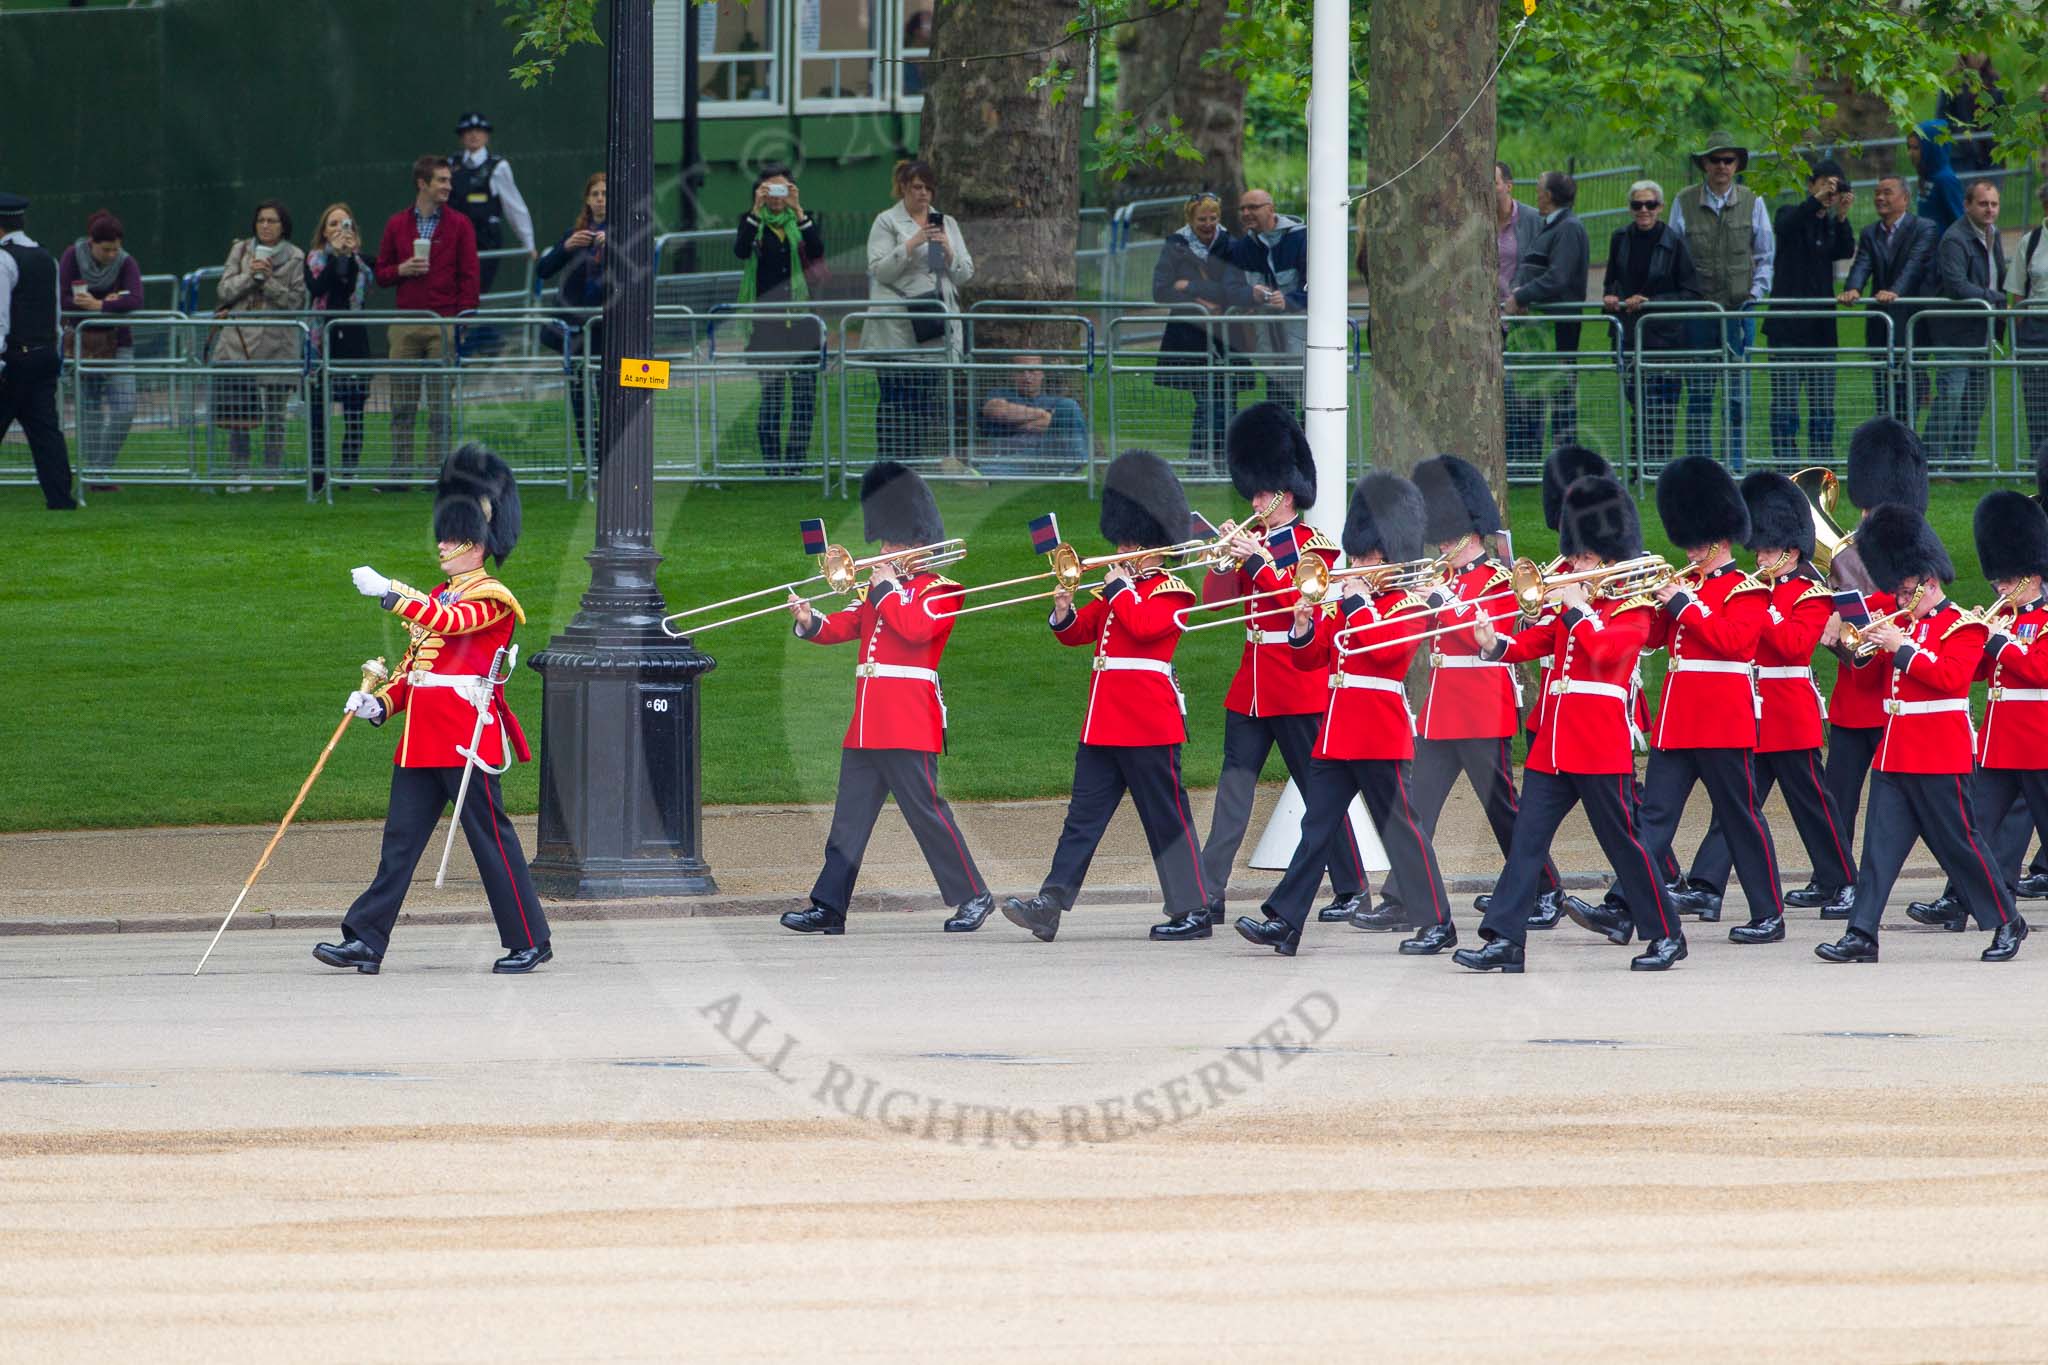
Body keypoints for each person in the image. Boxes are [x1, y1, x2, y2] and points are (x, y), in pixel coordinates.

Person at [315, 444, 552, 975]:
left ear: (479, 543)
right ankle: (366, 940)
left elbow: (449, 626)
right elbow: (413, 670)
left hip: (465, 738)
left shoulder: (492, 598)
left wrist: (392, 591)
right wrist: (377, 704)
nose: (444, 544)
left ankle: (529, 938)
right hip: (422, 739)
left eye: (454, 535)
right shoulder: (442, 595)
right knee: (398, 844)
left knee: (491, 844)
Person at [1454, 474, 1688, 973]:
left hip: (1598, 740)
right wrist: (1491, 643)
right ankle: (1505, 940)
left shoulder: (1635, 607)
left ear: (1605, 558)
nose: (1572, 565)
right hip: (1555, 743)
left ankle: (1667, 934)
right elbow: (1532, 645)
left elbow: (1606, 655)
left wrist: (1580, 609)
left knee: (1623, 843)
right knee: (1526, 841)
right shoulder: (1574, 605)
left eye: (1581, 558)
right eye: (1574, 555)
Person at [1236, 472, 1457, 957]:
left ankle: (1438, 921)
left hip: (1378, 729)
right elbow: (1312, 657)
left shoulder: (1408, 602)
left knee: (1401, 829)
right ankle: (1286, 920)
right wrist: (1302, 623)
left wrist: (1355, 602)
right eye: (1354, 555)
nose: (1354, 564)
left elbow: (1383, 656)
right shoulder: (1352, 600)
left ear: (1388, 554)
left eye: (1364, 556)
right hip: (1337, 731)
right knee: (1315, 828)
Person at [1001, 450, 1210, 943]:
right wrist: (1063, 610)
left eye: (1131, 540)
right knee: (1082, 819)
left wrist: (1118, 589)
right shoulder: (1117, 590)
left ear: (1154, 542)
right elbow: (1080, 635)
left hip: (1147, 721)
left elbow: (1142, 628)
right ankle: (1050, 903)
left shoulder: (1173, 590)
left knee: (1166, 820)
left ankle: (1194, 909)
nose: (1122, 548)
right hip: (1103, 722)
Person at [781, 462, 994, 935]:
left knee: (926, 814)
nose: (883, 551)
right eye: (884, 542)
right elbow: (845, 627)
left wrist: (886, 589)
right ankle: (829, 907)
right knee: (848, 821)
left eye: (893, 543)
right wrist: (809, 618)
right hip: (867, 722)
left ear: (918, 545)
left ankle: (973, 895)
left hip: (907, 719)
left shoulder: (942, 590)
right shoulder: (880, 591)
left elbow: (916, 630)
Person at [1364, 454, 1574, 934]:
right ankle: (1402, 897)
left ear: (1472, 533)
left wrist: (1442, 599)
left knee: (1503, 811)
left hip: (1482, 706)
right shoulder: (1446, 578)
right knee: (1415, 806)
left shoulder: (1501, 579)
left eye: (1447, 535)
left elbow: (1485, 637)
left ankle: (1547, 889)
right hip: (1442, 709)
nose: (1440, 544)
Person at [1814, 503, 2026, 964]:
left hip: (1940, 753)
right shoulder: (1900, 624)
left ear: (1929, 582)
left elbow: (1950, 679)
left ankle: (2007, 920)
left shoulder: (1965, 625)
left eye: (1907, 588)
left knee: (1962, 845)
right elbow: (1872, 679)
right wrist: (1847, 649)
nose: (1901, 596)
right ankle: (1862, 934)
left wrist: (1902, 647)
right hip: (1896, 753)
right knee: (1879, 849)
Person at [1194, 403, 1367, 932]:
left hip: (1296, 682)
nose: (1254, 502)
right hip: (1250, 686)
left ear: (1285, 495)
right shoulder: (1253, 544)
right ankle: (1206, 896)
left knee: (1320, 795)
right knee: (1232, 794)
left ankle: (1353, 887)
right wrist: (1222, 560)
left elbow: (1300, 603)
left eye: (1262, 494)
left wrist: (1255, 562)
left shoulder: (1316, 549)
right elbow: (1215, 604)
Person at [1678, 472, 1859, 925]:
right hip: (1754, 710)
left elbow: (1796, 647)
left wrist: (1761, 614)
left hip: (1788, 708)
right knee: (1735, 807)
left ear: (1791, 551)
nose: (1758, 557)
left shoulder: (1811, 592)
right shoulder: (1755, 590)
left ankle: (1844, 883)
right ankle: (1706, 886)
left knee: (1813, 805)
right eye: (1756, 549)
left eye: (1767, 550)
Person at [1903, 491, 2048, 929]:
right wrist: (1979, 635)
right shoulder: (2006, 619)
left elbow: (2039, 670)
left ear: (2031, 576)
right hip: (2000, 742)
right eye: (1998, 581)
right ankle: (1958, 897)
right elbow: (1983, 673)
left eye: (2007, 581)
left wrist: (1998, 641)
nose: (2000, 588)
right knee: (1974, 826)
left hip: (2039, 740)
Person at [1804, 416, 1929, 915]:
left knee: (1898, 801)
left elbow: (1918, 606)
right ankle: (1833, 877)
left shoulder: (1914, 539)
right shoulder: (1852, 542)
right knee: (1838, 797)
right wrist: (1833, 617)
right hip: (1856, 691)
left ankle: (1874, 887)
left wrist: (1857, 610)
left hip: (1893, 694)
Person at [1670, 132, 1775, 472]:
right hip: (1699, 313)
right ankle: (1701, 469)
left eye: (1728, 160)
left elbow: (1765, 255)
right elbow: (1673, 256)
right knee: (1700, 393)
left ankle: (1735, 465)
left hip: (1738, 312)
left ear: (1737, 165)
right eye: (1715, 160)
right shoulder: (1683, 201)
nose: (1721, 167)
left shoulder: (1752, 201)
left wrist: (1754, 297)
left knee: (1737, 396)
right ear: (1704, 164)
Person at [375, 155, 479, 479]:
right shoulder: (396, 224)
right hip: (405, 322)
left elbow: (469, 277)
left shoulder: (460, 224)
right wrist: (401, 269)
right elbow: (381, 273)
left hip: (443, 322)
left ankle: (438, 473)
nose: (448, 186)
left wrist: (461, 322)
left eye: (449, 180)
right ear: (423, 183)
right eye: (442, 180)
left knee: (440, 406)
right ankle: (401, 472)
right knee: (401, 404)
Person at [863, 160, 973, 468]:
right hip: (897, 331)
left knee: (924, 403)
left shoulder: (945, 222)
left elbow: (965, 273)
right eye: (916, 187)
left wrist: (948, 250)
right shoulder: (887, 222)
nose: (923, 194)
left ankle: (913, 467)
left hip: (934, 328)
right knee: (895, 401)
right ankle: (888, 466)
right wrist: (912, 243)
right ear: (902, 189)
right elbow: (879, 271)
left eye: (927, 187)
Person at [1603, 181, 1703, 469]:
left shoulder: (1674, 242)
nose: (1643, 211)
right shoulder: (1619, 238)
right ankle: (1639, 464)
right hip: (1629, 334)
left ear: (1660, 207)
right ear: (1630, 208)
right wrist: (1612, 296)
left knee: (1662, 405)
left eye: (1650, 205)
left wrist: (1650, 301)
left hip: (1666, 338)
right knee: (1636, 400)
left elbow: (1692, 293)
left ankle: (1659, 466)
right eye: (1637, 205)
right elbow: (1612, 279)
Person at [1151, 192, 1251, 471]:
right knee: (1207, 398)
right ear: (1190, 220)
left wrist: (1190, 286)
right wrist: (1196, 302)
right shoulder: (1175, 246)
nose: (1208, 224)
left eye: (1213, 218)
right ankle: (1201, 462)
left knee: (1226, 398)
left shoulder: (1231, 244)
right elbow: (1160, 290)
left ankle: (1221, 462)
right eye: (1202, 219)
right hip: (1191, 335)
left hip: (1225, 335)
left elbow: (1231, 289)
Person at [734, 166, 824, 474]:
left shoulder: (802, 219)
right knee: (772, 397)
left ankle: (796, 463)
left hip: (801, 324)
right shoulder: (752, 223)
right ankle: (772, 464)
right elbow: (740, 251)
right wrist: (755, 211)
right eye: (769, 190)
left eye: (782, 190)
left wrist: (799, 211)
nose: (776, 198)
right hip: (767, 325)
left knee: (803, 396)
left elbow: (817, 250)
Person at [212, 200, 307, 492]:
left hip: (277, 343)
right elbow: (224, 289)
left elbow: (296, 301)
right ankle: (239, 471)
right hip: (238, 342)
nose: (266, 226)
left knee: (275, 413)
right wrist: (249, 276)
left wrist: (267, 282)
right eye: (262, 220)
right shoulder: (240, 250)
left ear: (283, 225)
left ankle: (271, 471)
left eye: (273, 221)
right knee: (238, 411)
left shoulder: (295, 257)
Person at [1763, 160, 1854, 465]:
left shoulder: (1830, 225)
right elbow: (1785, 228)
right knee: (1785, 404)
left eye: (1836, 186)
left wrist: (1841, 217)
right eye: (1825, 184)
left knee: (1822, 406)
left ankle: (1820, 464)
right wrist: (1815, 202)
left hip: (1821, 330)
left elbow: (1844, 250)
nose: (1830, 191)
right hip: (1787, 329)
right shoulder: (1789, 213)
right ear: (1810, 185)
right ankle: (1786, 464)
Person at [1838, 174, 1940, 423]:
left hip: (1911, 326)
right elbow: (1862, 264)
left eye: (1887, 192)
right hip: (1881, 328)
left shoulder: (1923, 228)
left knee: (1910, 394)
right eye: (1877, 193)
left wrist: (1895, 291)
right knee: (1885, 396)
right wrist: (1853, 288)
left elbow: (1914, 265)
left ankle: (1908, 450)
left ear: (1905, 198)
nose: (1880, 198)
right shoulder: (1870, 233)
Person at [1505, 171, 1591, 458]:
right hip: (1542, 325)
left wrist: (1521, 295)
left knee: (1562, 396)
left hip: (1559, 326)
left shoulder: (1568, 228)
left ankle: (1565, 463)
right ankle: (1528, 460)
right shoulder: (1552, 226)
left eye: (1540, 190)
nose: (1536, 195)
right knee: (1533, 390)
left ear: (1550, 196)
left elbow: (1559, 277)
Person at [0, 191, 77, 509]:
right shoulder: (47, 257)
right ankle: (60, 498)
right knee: (46, 432)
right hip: (44, 355)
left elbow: (0, 318)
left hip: (14, 359)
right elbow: (55, 314)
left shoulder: (3, 259)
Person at [57, 209, 141, 488]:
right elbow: (63, 298)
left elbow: (135, 300)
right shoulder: (72, 255)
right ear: (92, 243)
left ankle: (100, 468)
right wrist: (107, 302)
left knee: (125, 407)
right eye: (106, 250)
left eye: (116, 249)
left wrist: (100, 306)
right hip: (84, 343)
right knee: (89, 410)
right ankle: (95, 476)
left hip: (119, 343)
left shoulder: (127, 262)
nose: (112, 255)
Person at [1927, 179, 2005, 468]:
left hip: (1983, 331)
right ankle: (1931, 462)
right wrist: (1995, 297)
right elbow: (1957, 286)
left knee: (1974, 401)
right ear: (1967, 205)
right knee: (1951, 396)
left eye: (1994, 204)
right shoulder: (1955, 238)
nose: (1989, 210)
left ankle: (1961, 464)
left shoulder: (1991, 234)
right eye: (1983, 203)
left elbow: (1996, 274)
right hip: (1955, 334)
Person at [304, 203, 375, 492]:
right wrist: (335, 258)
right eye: (333, 224)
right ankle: (319, 476)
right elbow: (320, 289)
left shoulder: (362, 263)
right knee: (318, 413)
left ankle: (347, 474)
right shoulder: (313, 260)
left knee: (354, 411)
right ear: (323, 231)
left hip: (354, 342)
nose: (338, 230)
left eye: (345, 225)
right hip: (323, 342)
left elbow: (351, 292)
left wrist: (349, 257)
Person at [539, 172, 609, 459]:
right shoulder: (574, 235)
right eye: (595, 194)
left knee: (619, 395)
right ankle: (592, 465)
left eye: (605, 194)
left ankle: (618, 462)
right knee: (581, 401)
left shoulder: (629, 234)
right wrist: (566, 248)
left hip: (613, 331)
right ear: (587, 200)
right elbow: (544, 269)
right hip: (577, 335)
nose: (601, 199)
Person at [1219, 189, 1307, 414]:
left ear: (1271, 208)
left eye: (1253, 207)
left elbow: (1319, 287)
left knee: (1312, 409)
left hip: (1304, 344)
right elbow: (1229, 289)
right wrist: (1251, 294)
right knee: (1278, 412)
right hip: (1269, 347)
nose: (1246, 213)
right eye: (1242, 209)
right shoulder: (1241, 248)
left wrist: (1288, 301)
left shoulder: (1302, 239)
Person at [449, 111, 536, 290]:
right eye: (468, 131)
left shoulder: (497, 166)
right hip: (455, 238)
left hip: (484, 239)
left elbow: (514, 207)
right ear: (461, 136)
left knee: (475, 289)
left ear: (487, 135)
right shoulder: (451, 164)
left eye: (479, 130)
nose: (474, 135)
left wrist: (528, 243)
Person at [975, 353, 1087, 474]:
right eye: (1020, 371)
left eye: (1032, 371)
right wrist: (1043, 415)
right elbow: (998, 411)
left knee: (1069, 405)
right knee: (1011, 464)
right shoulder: (1000, 394)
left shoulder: (1056, 402)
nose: (1027, 376)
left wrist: (1018, 420)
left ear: (1042, 373)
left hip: (1048, 452)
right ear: (1012, 375)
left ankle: (1079, 463)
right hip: (1013, 454)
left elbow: (1064, 425)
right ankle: (1075, 467)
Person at [2005, 182, 2048, 458]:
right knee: (2036, 401)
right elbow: (2017, 296)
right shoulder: (2030, 243)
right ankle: (2040, 460)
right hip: (2035, 328)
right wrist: (2017, 341)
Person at [1908, 120, 1967, 236]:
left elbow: (1959, 219)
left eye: (1916, 148)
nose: (1910, 153)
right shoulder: (1926, 176)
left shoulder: (1945, 180)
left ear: (1931, 148)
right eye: (1909, 148)